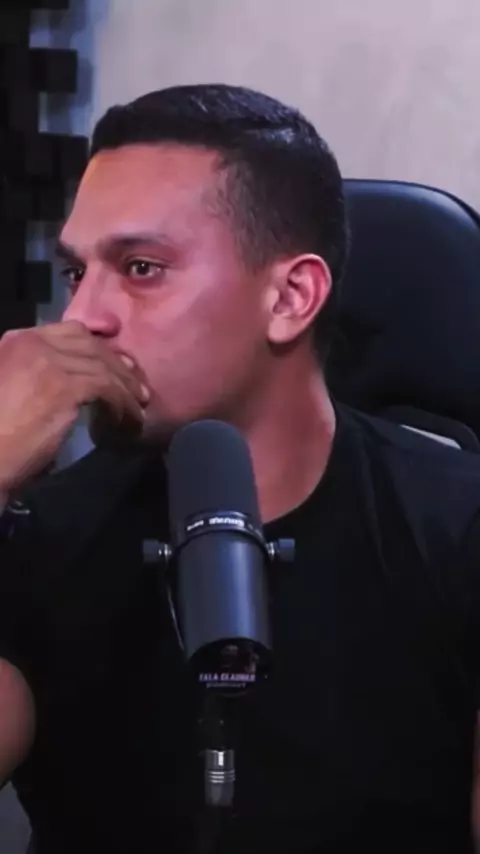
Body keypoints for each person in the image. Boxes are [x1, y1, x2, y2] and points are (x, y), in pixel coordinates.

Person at [0, 84, 479, 854]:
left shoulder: (457, 531)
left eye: (141, 267)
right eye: (76, 275)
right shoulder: (39, 541)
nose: (81, 318)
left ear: (291, 297)